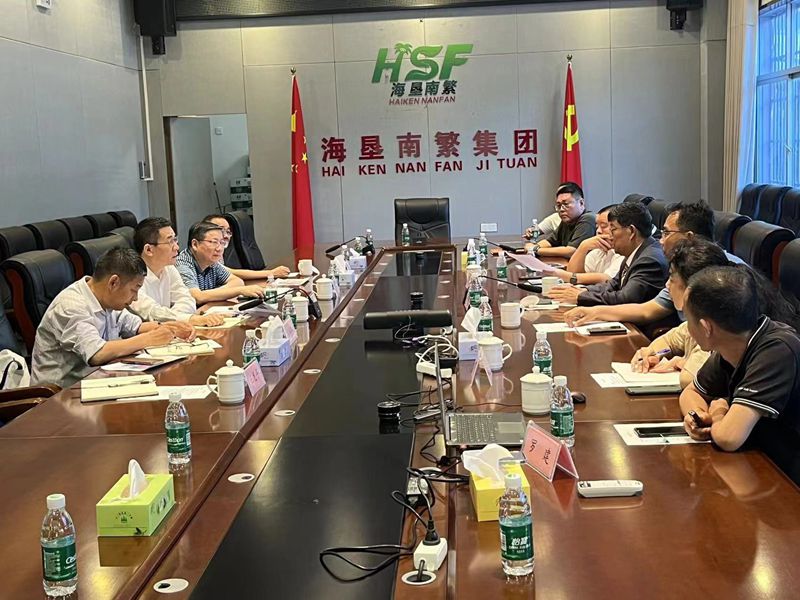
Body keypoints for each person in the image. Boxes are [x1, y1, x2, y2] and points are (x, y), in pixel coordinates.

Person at [679, 266, 800, 485]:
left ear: (706, 328)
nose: (687, 328)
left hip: (786, 476)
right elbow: (692, 392)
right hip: (759, 463)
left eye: (688, 319)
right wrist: (697, 417)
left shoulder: (778, 349)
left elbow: (729, 438)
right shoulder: (730, 345)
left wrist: (718, 411)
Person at [564, 200, 743, 327]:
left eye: (666, 233)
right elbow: (647, 311)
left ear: (688, 237)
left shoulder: (724, 274)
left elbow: (722, 335)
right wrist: (594, 312)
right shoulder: (681, 267)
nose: (661, 240)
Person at [31, 248, 192, 388]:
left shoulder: (107, 299)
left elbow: (135, 326)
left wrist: (169, 328)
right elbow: (97, 353)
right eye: (134, 290)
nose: (135, 298)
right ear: (113, 282)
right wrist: (150, 339)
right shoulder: (71, 306)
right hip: (60, 396)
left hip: (98, 384)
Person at [630, 238, 729, 388]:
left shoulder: (715, 328)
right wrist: (653, 353)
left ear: (691, 287)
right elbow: (668, 341)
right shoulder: (692, 322)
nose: (667, 285)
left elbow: (689, 379)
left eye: (671, 278)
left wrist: (682, 362)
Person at [546, 202, 667, 306]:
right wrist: (580, 290)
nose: (610, 235)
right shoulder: (635, 252)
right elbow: (612, 285)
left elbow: (625, 298)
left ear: (631, 231)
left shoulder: (649, 259)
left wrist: (581, 296)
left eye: (613, 229)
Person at [130, 218, 225, 327]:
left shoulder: (169, 268)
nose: (177, 247)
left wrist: (178, 318)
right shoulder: (131, 277)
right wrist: (189, 319)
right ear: (149, 250)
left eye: (175, 240)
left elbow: (187, 299)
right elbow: (151, 313)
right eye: (170, 241)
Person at [176, 221, 268, 305]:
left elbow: (237, 282)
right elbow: (197, 297)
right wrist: (239, 291)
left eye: (222, 242)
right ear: (195, 244)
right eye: (214, 242)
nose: (219, 248)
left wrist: (211, 294)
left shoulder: (211, 262)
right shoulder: (183, 264)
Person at [543, 204, 624, 285]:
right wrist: (583, 247)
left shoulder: (623, 252)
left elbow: (608, 279)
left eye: (603, 226)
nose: (598, 231)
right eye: (597, 227)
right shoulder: (598, 251)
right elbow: (573, 272)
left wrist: (564, 275)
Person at [203, 214, 290, 280]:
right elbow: (229, 272)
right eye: (221, 230)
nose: (226, 236)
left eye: (228, 231)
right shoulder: (205, 253)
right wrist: (271, 273)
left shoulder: (219, 251)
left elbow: (228, 276)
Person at [524, 182, 595, 258]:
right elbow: (549, 242)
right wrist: (534, 246)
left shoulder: (588, 219)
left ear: (581, 203)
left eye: (566, 204)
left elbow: (572, 251)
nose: (561, 209)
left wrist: (535, 249)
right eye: (559, 205)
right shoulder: (567, 220)